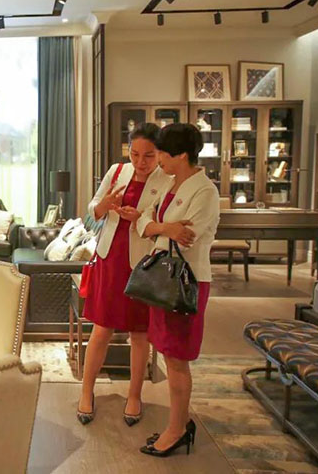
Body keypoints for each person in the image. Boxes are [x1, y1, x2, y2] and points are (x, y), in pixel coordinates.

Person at [78, 123, 171, 426]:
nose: (140, 162)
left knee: (139, 334)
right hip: (110, 258)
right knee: (101, 329)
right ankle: (86, 392)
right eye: (135, 154)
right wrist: (103, 205)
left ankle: (134, 396)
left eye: (149, 155)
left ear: (160, 154)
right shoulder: (117, 171)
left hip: (142, 263)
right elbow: (93, 207)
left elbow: (164, 223)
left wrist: (139, 218)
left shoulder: (167, 180)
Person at [137, 123, 219, 457]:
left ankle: (177, 430)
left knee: (177, 357)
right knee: (168, 352)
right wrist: (164, 227)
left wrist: (161, 229)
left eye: (163, 154)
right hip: (163, 277)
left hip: (186, 280)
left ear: (182, 154)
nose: (158, 160)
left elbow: (187, 237)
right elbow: (143, 221)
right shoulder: (171, 184)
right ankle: (180, 423)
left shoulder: (205, 192)